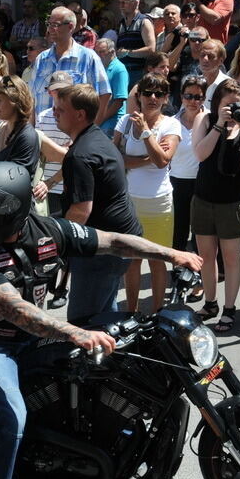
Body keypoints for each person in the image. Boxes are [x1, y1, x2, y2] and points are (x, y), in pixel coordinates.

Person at [0, 160, 202, 479]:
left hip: (33, 342)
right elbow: (16, 309)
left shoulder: (48, 232)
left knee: (106, 371)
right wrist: (74, 332)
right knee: (9, 418)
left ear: (13, 211)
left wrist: (173, 254)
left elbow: (114, 241)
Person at [54, 83, 143, 320]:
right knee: (105, 312)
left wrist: (57, 242)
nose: (54, 113)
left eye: (60, 110)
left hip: (103, 251)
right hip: (123, 241)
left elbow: (81, 210)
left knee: (84, 323)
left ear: (80, 115)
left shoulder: (79, 156)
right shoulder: (98, 138)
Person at [191, 78, 240, 332]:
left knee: (230, 258)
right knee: (206, 256)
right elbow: (200, 154)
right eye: (227, 104)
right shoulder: (205, 120)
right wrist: (219, 123)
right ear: (217, 102)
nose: (233, 109)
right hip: (204, 199)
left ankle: (229, 308)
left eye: (237, 104)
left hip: (232, 203)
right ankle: (210, 303)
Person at [112, 74, 180, 313]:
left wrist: (146, 133)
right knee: (131, 261)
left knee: (158, 262)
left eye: (159, 93)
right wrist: (147, 157)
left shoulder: (171, 125)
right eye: (148, 92)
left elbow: (162, 162)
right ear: (138, 96)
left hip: (159, 203)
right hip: (130, 202)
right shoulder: (125, 123)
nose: (153, 97)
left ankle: (158, 313)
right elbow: (117, 159)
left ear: (166, 98)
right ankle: (131, 312)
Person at [28, 7, 112, 122]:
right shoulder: (41, 59)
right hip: (43, 135)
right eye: (49, 24)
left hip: (75, 136)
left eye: (56, 25)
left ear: (71, 27)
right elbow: (31, 98)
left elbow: (104, 94)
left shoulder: (88, 57)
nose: (50, 29)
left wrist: (91, 130)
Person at [169, 75, 205, 256]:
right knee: (179, 228)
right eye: (188, 96)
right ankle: (178, 268)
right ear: (181, 97)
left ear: (204, 99)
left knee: (200, 231)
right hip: (177, 180)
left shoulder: (210, 121)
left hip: (202, 182)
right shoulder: (171, 123)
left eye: (197, 97)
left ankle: (201, 271)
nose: (192, 101)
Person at [34, 71, 73, 218]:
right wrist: (62, 151)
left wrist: (51, 152)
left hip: (66, 188)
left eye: (65, 91)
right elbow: (38, 152)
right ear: (50, 92)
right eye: (57, 91)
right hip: (44, 188)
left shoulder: (77, 117)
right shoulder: (43, 117)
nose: (61, 94)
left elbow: (74, 156)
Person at [115, 0, 156, 89]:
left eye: (124, 2)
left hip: (139, 75)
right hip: (124, 74)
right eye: (119, 2)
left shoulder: (144, 22)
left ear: (135, 3)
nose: (121, 6)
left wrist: (128, 52)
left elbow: (151, 49)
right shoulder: (121, 24)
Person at [93, 39, 128, 135]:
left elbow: (119, 102)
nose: (98, 55)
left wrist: (98, 121)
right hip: (101, 120)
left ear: (112, 52)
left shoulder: (119, 69)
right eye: (96, 52)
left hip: (112, 122)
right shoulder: (102, 67)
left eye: (102, 52)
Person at [8, 0, 42, 64]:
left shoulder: (39, 25)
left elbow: (38, 42)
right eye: (25, 7)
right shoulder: (17, 25)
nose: (27, 9)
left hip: (35, 62)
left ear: (35, 8)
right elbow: (11, 44)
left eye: (29, 6)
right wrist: (27, 42)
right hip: (18, 62)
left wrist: (19, 42)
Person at [199, 39, 230, 111]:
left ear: (221, 61)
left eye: (211, 56)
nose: (205, 59)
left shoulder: (228, 86)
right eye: (202, 55)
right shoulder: (194, 83)